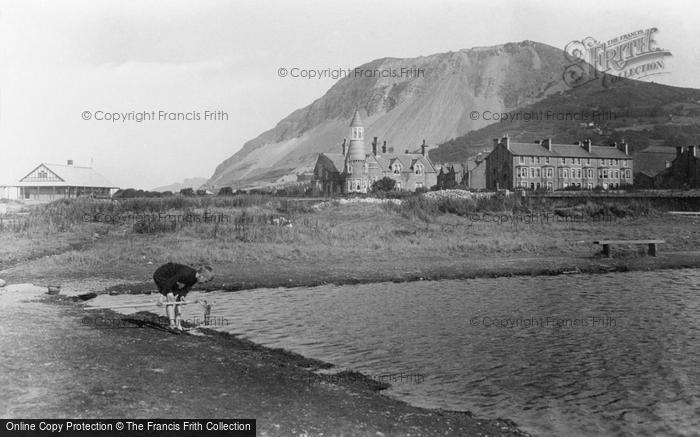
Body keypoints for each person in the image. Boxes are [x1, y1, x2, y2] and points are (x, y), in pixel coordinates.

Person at [152, 262, 214, 330]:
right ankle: (172, 324)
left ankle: (178, 325)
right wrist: (161, 297)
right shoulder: (186, 273)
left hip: (171, 278)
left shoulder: (194, 278)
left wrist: (182, 296)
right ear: (201, 276)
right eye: (205, 281)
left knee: (179, 300)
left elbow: (186, 288)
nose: (204, 283)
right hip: (161, 275)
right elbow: (171, 281)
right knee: (170, 297)